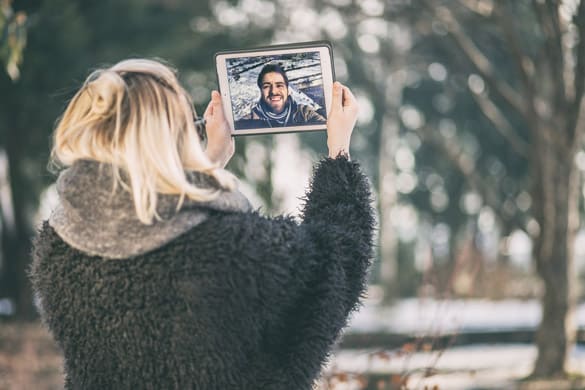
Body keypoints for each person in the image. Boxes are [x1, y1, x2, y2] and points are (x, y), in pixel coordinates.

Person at [30, 58, 375, 390]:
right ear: (172, 139)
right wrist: (338, 150)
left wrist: (208, 166)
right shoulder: (230, 247)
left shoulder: (56, 246)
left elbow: (147, 215)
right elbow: (335, 264)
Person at [241, 63, 326, 127]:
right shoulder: (250, 120)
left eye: (279, 85)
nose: (273, 91)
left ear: (288, 90)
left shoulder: (304, 113)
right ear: (261, 91)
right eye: (266, 86)